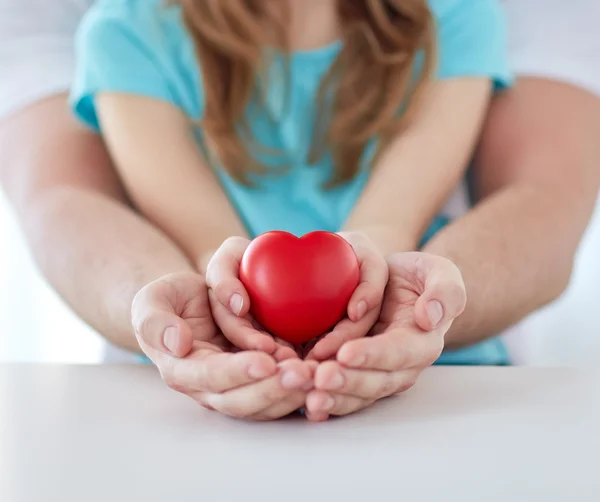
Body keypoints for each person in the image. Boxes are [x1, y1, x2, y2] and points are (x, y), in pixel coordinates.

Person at [0, 0, 599, 420]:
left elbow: (385, 227)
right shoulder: (125, 33)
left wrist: (381, 303)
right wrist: (237, 326)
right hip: (195, 398)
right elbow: (213, 247)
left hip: (438, 384)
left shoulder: (459, 19)